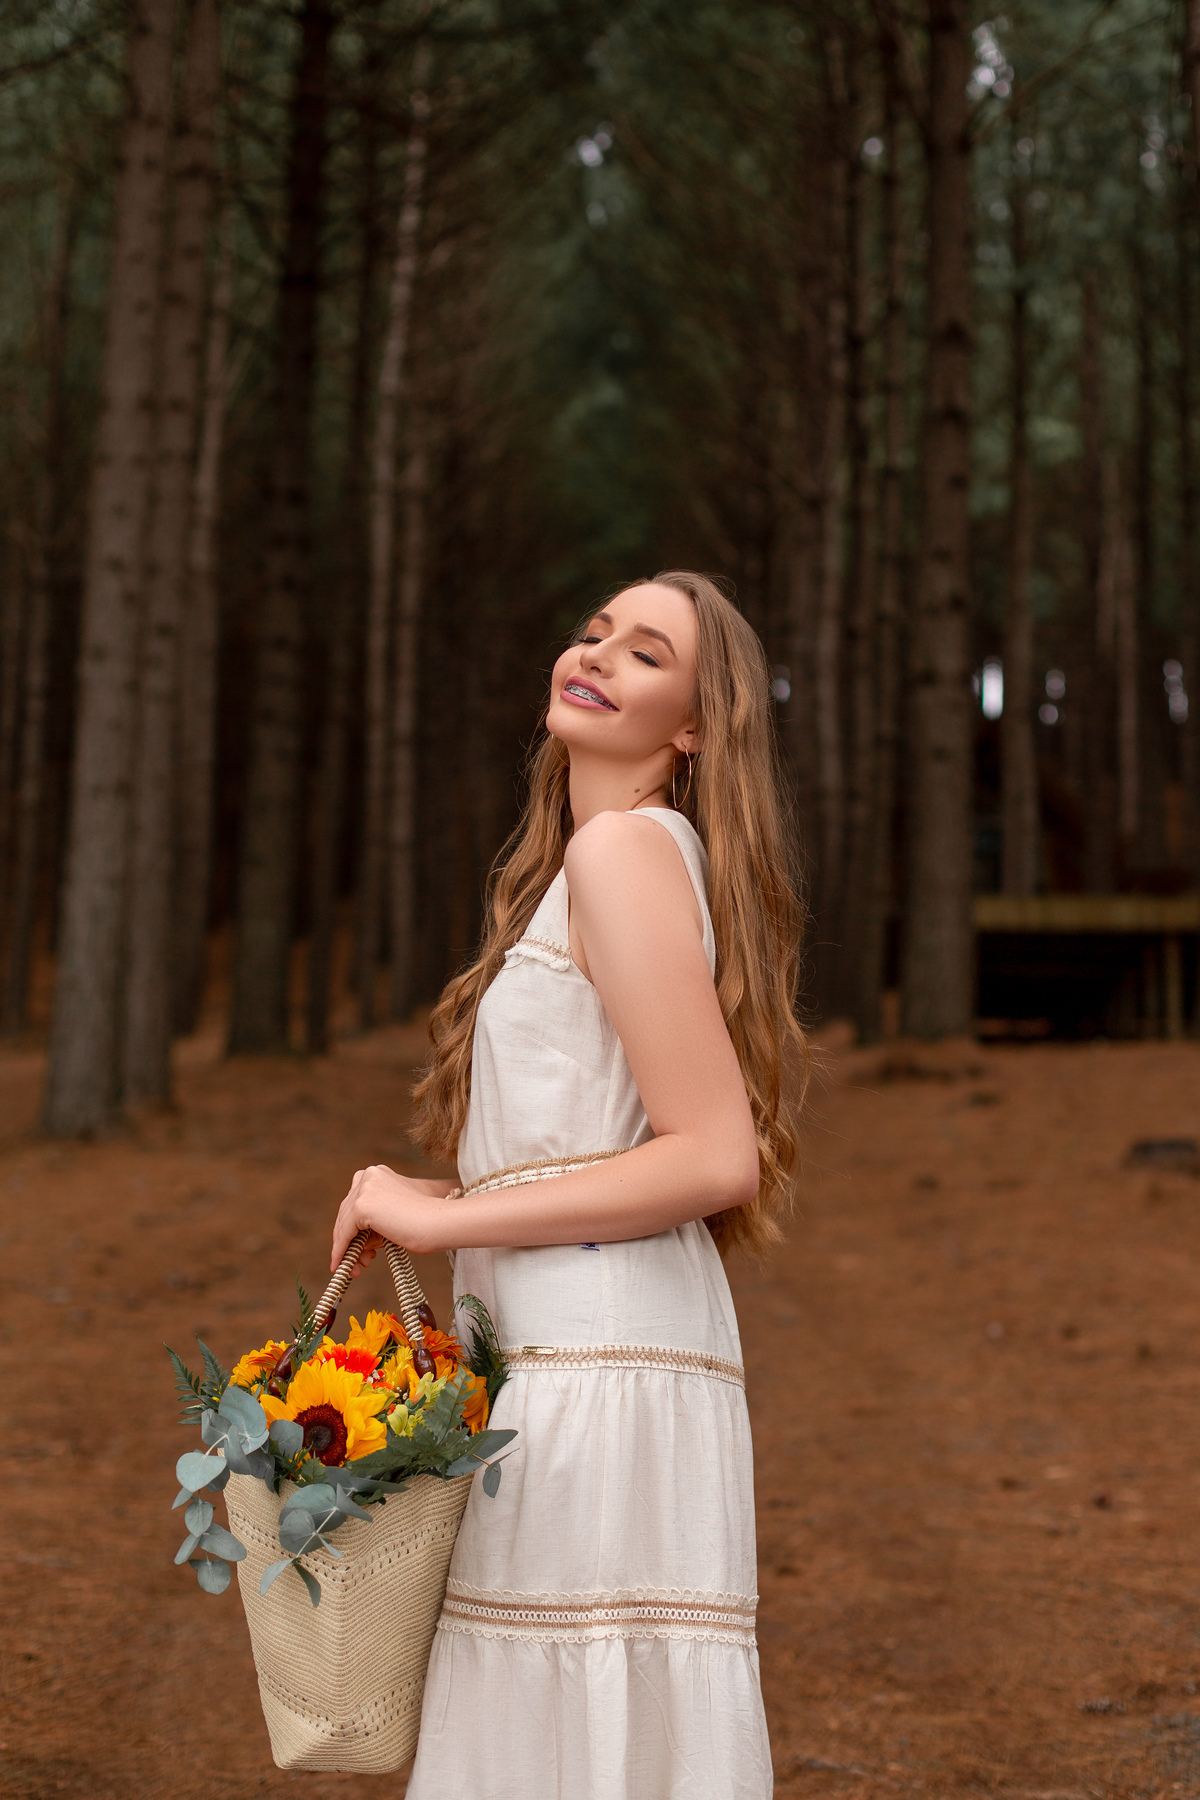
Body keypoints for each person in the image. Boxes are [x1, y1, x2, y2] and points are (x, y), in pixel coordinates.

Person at [330, 570, 808, 1799]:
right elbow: (587, 1142)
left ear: (696, 728)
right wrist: (434, 1192)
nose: (595, 654)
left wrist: (442, 1214)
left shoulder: (622, 853)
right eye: (594, 631)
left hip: (599, 1361)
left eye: (647, 653)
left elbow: (712, 1155)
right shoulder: (604, 860)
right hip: (568, 1346)